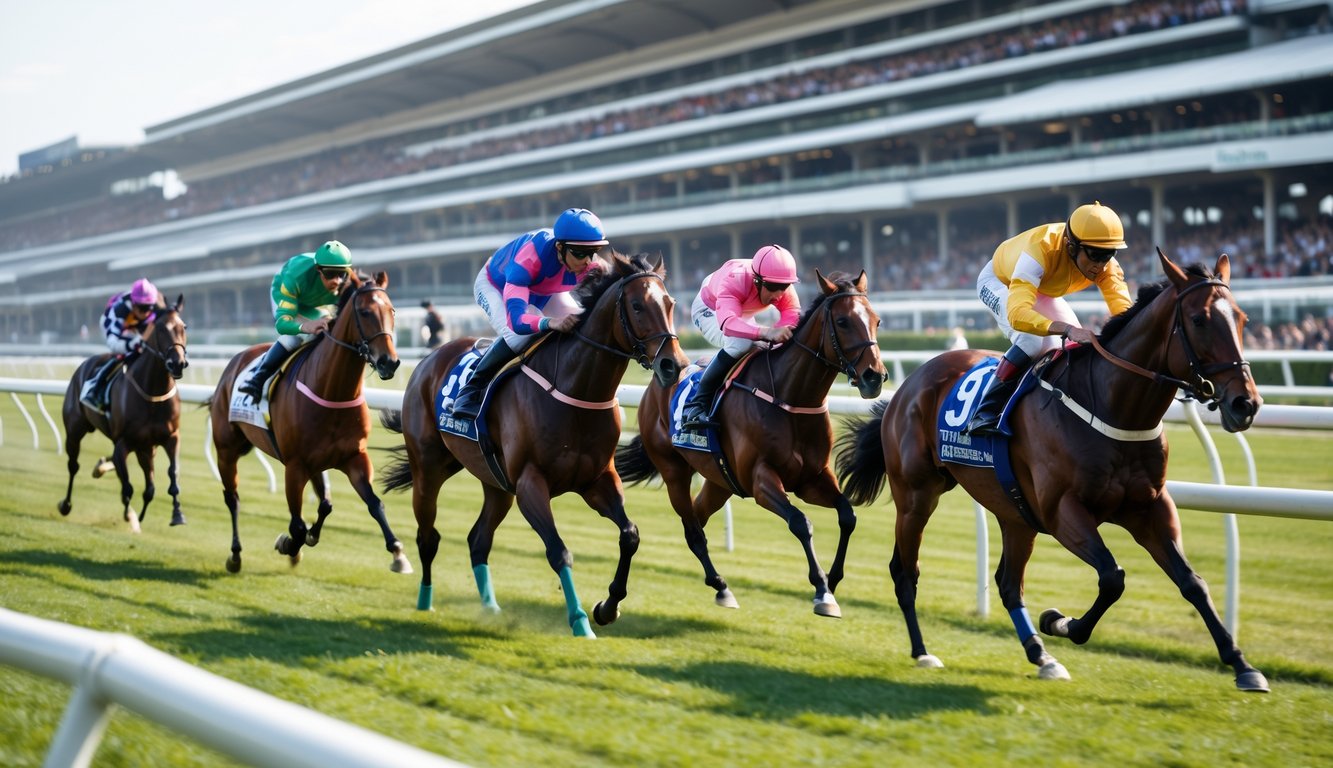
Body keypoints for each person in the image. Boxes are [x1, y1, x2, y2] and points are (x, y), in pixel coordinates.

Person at [965, 201, 1133, 437]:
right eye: (1095, 255)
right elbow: (1017, 315)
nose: (1101, 264)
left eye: (1109, 254)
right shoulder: (1040, 250)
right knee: (1031, 341)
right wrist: (1067, 329)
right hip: (1000, 281)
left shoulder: (1106, 266)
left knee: (1070, 347)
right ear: (1072, 247)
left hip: (1040, 288)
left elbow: (1125, 314)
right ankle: (985, 412)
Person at [448, 207, 609, 421]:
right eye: (580, 253)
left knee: (580, 323)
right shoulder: (529, 258)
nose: (588, 261)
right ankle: (470, 390)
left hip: (544, 291)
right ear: (560, 248)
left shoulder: (590, 264)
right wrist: (550, 322)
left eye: (593, 251)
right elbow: (517, 322)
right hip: (496, 286)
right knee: (519, 336)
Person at [680, 244, 802, 430]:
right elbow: (728, 324)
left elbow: (792, 317)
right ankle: (696, 406)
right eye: (772, 287)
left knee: (768, 345)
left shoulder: (782, 284)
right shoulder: (735, 280)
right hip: (710, 307)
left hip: (740, 307)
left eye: (783, 287)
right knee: (740, 343)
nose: (778, 295)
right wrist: (766, 332)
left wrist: (778, 333)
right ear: (757, 280)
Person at [236, 240, 354, 403]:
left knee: (329, 331)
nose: (337, 281)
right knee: (293, 338)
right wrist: (305, 326)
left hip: (313, 303)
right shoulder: (295, 277)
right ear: (318, 270)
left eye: (341, 274)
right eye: (330, 274)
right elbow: (282, 325)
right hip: (284, 292)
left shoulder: (348, 282)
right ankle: (256, 378)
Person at [81, 278, 162, 409]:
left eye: (149, 307)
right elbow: (113, 344)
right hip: (117, 328)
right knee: (126, 353)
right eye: (142, 308)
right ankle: (94, 389)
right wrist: (136, 343)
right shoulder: (119, 310)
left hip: (138, 325)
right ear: (134, 304)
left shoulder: (156, 304)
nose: (146, 312)